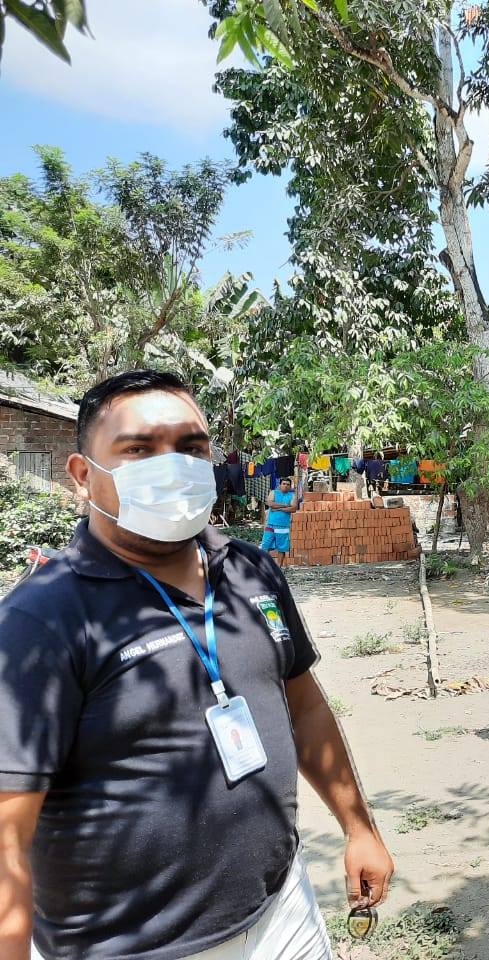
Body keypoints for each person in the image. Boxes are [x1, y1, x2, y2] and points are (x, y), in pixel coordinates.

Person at [0, 369, 394, 960]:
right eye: (139, 449)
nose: (172, 465)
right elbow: (7, 836)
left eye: (191, 447)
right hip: (130, 947)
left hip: (283, 910)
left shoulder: (251, 571)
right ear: (83, 475)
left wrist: (359, 827)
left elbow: (305, 706)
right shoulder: (43, 618)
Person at [262, 475, 300, 560]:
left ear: (290, 486)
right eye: (284, 484)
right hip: (270, 524)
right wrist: (286, 505)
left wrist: (279, 508)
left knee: (281, 548)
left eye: (288, 484)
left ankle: (278, 567)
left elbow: (293, 508)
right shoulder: (273, 492)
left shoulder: (292, 495)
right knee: (265, 546)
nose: (285, 486)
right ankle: (265, 565)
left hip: (283, 526)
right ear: (280, 485)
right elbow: (271, 504)